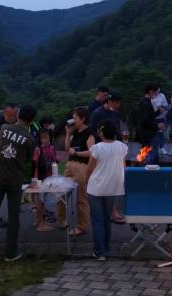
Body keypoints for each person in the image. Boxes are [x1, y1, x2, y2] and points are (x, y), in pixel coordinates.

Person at [0, 105, 36, 262]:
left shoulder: (4, 128)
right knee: (13, 216)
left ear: (18, 115)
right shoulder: (30, 139)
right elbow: (28, 160)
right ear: (32, 120)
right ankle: (10, 253)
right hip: (15, 179)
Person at [86, 122, 128, 260]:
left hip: (96, 186)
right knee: (107, 218)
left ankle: (100, 251)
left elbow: (90, 168)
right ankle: (106, 247)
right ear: (115, 134)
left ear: (102, 134)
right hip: (112, 187)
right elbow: (123, 165)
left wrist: (86, 181)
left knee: (97, 219)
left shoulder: (97, 148)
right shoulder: (122, 147)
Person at [57, 106, 95, 235]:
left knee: (81, 198)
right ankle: (62, 220)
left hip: (81, 167)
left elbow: (91, 152)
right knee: (61, 193)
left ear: (83, 119)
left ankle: (82, 226)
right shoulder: (75, 132)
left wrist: (77, 153)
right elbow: (67, 148)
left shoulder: (89, 132)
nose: (72, 121)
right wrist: (68, 133)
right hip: (70, 165)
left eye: (75, 118)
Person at [32, 128, 58, 231]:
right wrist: (34, 177)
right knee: (40, 200)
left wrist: (54, 162)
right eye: (42, 138)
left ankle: (41, 220)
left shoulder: (52, 148)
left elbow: (56, 160)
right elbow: (34, 163)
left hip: (50, 177)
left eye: (46, 137)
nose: (44, 140)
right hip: (40, 178)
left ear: (50, 138)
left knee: (44, 199)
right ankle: (39, 221)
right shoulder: (38, 149)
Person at [137, 83, 160, 163]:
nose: (156, 94)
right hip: (149, 134)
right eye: (155, 92)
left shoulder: (144, 102)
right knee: (151, 157)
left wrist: (157, 112)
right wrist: (157, 125)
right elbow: (145, 120)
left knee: (147, 155)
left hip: (146, 133)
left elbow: (148, 116)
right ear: (150, 91)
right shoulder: (146, 104)